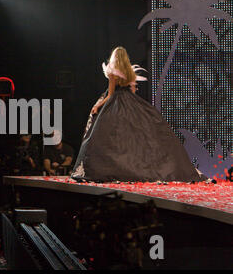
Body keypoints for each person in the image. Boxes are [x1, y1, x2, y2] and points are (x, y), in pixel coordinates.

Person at [70, 47, 206, 182]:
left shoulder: (112, 72)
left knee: (106, 136)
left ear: (113, 58)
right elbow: (132, 90)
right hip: (130, 101)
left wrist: (98, 105)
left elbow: (111, 95)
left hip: (116, 103)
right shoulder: (128, 72)